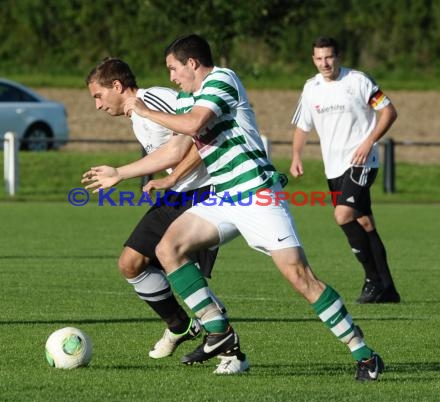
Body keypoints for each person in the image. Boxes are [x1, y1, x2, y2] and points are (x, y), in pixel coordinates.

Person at [122, 33, 384, 380]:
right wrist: (123, 173)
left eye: (173, 69)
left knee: (300, 277)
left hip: (258, 195)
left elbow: (193, 124)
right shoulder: (191, 97)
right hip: (225, 196)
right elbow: (174, 149)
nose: (172, 78)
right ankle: (219, 331)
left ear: (192, 63)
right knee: (168, 248)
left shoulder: (222, 79)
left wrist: (143, 108)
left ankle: (364, 355)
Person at [82, 57, 226, 360]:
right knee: (130, 263)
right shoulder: (137, 116)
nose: (97, 105)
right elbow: (166, 151)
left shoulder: (157, 98)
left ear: (117, 86)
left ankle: (226, 344)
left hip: (203, 194)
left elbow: (205, 135)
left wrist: (122, 172)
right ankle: (180, 326)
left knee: (180, 266)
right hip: (175, 196)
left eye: (98, 95)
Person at [290, 36, 401, 304]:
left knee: (342, 215)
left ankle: (372, 281)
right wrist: (296, 155)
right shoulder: (311, 88)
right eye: (318, 58)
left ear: (338, 57)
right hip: (334, 168)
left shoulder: (358, 81)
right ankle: (388, 288)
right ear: (313, 60)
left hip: (361, 162)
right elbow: (303, 126)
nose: (324, 63)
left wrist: (369, 141)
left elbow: (389, 112)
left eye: (328, 57)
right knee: (364, 222)